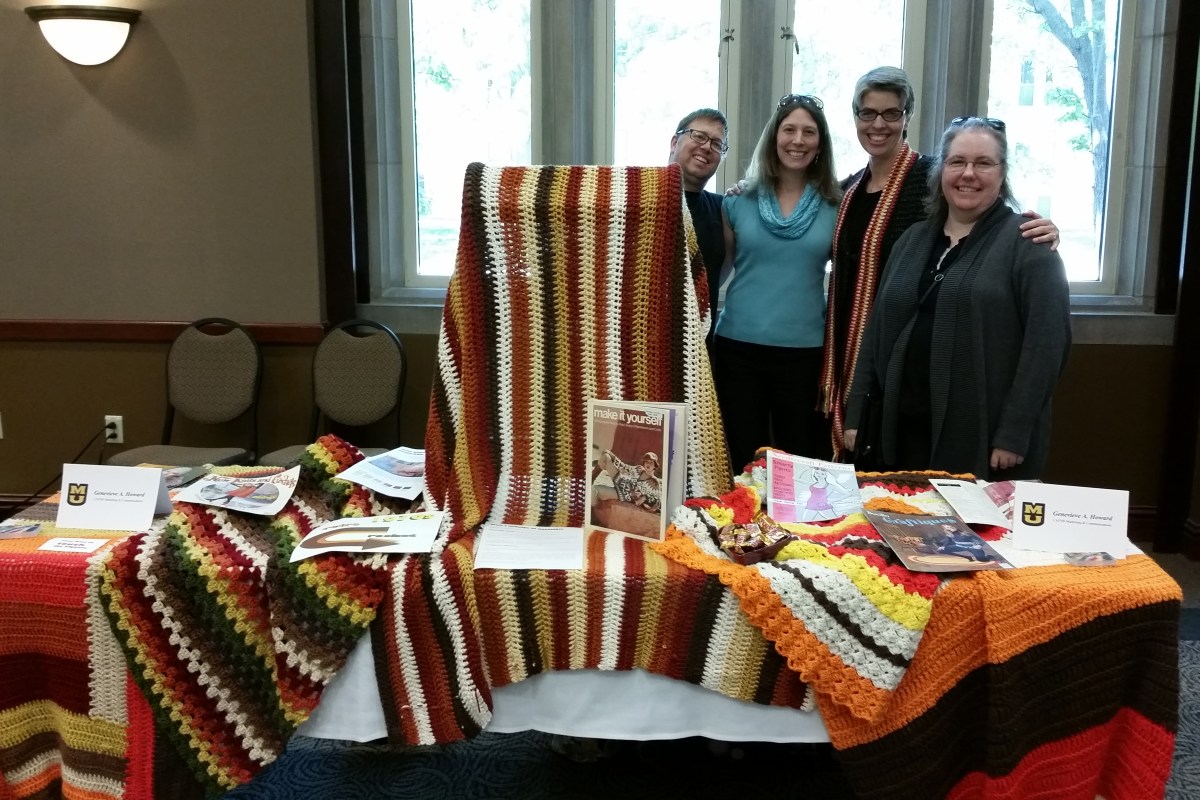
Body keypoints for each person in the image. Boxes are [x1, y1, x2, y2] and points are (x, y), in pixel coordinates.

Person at [820, 67, 1061, 458]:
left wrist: (1013, 434)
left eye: (983, 163)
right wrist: (857, 413)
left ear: (1003, 173)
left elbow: (1045, 349)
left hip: (978, 436)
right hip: (898, 428)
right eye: (958, 162)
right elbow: (876, 332)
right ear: (942, 170)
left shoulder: (1027, 244)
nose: (968, 174)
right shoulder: (912, 239)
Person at [713, 94, 841, 470]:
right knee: (740, 457)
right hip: (738, 349)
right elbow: (719, 271)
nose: (797, 140)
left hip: (805, 354)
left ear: (820, 143)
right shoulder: (736, 201)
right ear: (774, 137)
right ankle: (740, 529)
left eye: (808, 132)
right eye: (789, 130)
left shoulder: (838, 205)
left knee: (799, 460)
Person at [669, 108, 729, 346]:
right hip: (637, 353)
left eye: (717, 144)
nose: (706, 147)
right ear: (674, 142)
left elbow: (721, 270)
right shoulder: (637, 199)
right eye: (698, 136)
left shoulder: (723, 208)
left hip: (700, 354)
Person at [594, 449, 662, 512]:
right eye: (646, 461)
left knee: (596, 489)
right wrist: (611, 454)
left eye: (651, 462)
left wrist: (645, 497)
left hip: (622, 494)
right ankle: (592, 477)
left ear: (655, 466)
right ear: (644, 463)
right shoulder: (639, 469)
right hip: (619, 480)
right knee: (606, 455)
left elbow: (658, 502)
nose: (648, 464)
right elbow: (624, 467)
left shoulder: (654, 482)